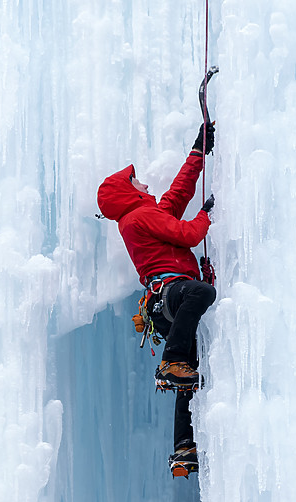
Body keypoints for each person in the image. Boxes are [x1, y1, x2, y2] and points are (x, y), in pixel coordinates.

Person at [97, 123, 216, 473]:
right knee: (201, 292)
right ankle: (170, 360)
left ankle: (184, 446)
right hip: (172, 293)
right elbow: (190, 234)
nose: (145, 184)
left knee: (188, 375)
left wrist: (198, 152)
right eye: (137, 182)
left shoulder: (144, 216)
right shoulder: (140, 216)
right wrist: (208, 214)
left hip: (164, 304)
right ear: (127, 193)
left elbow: (178, 194)